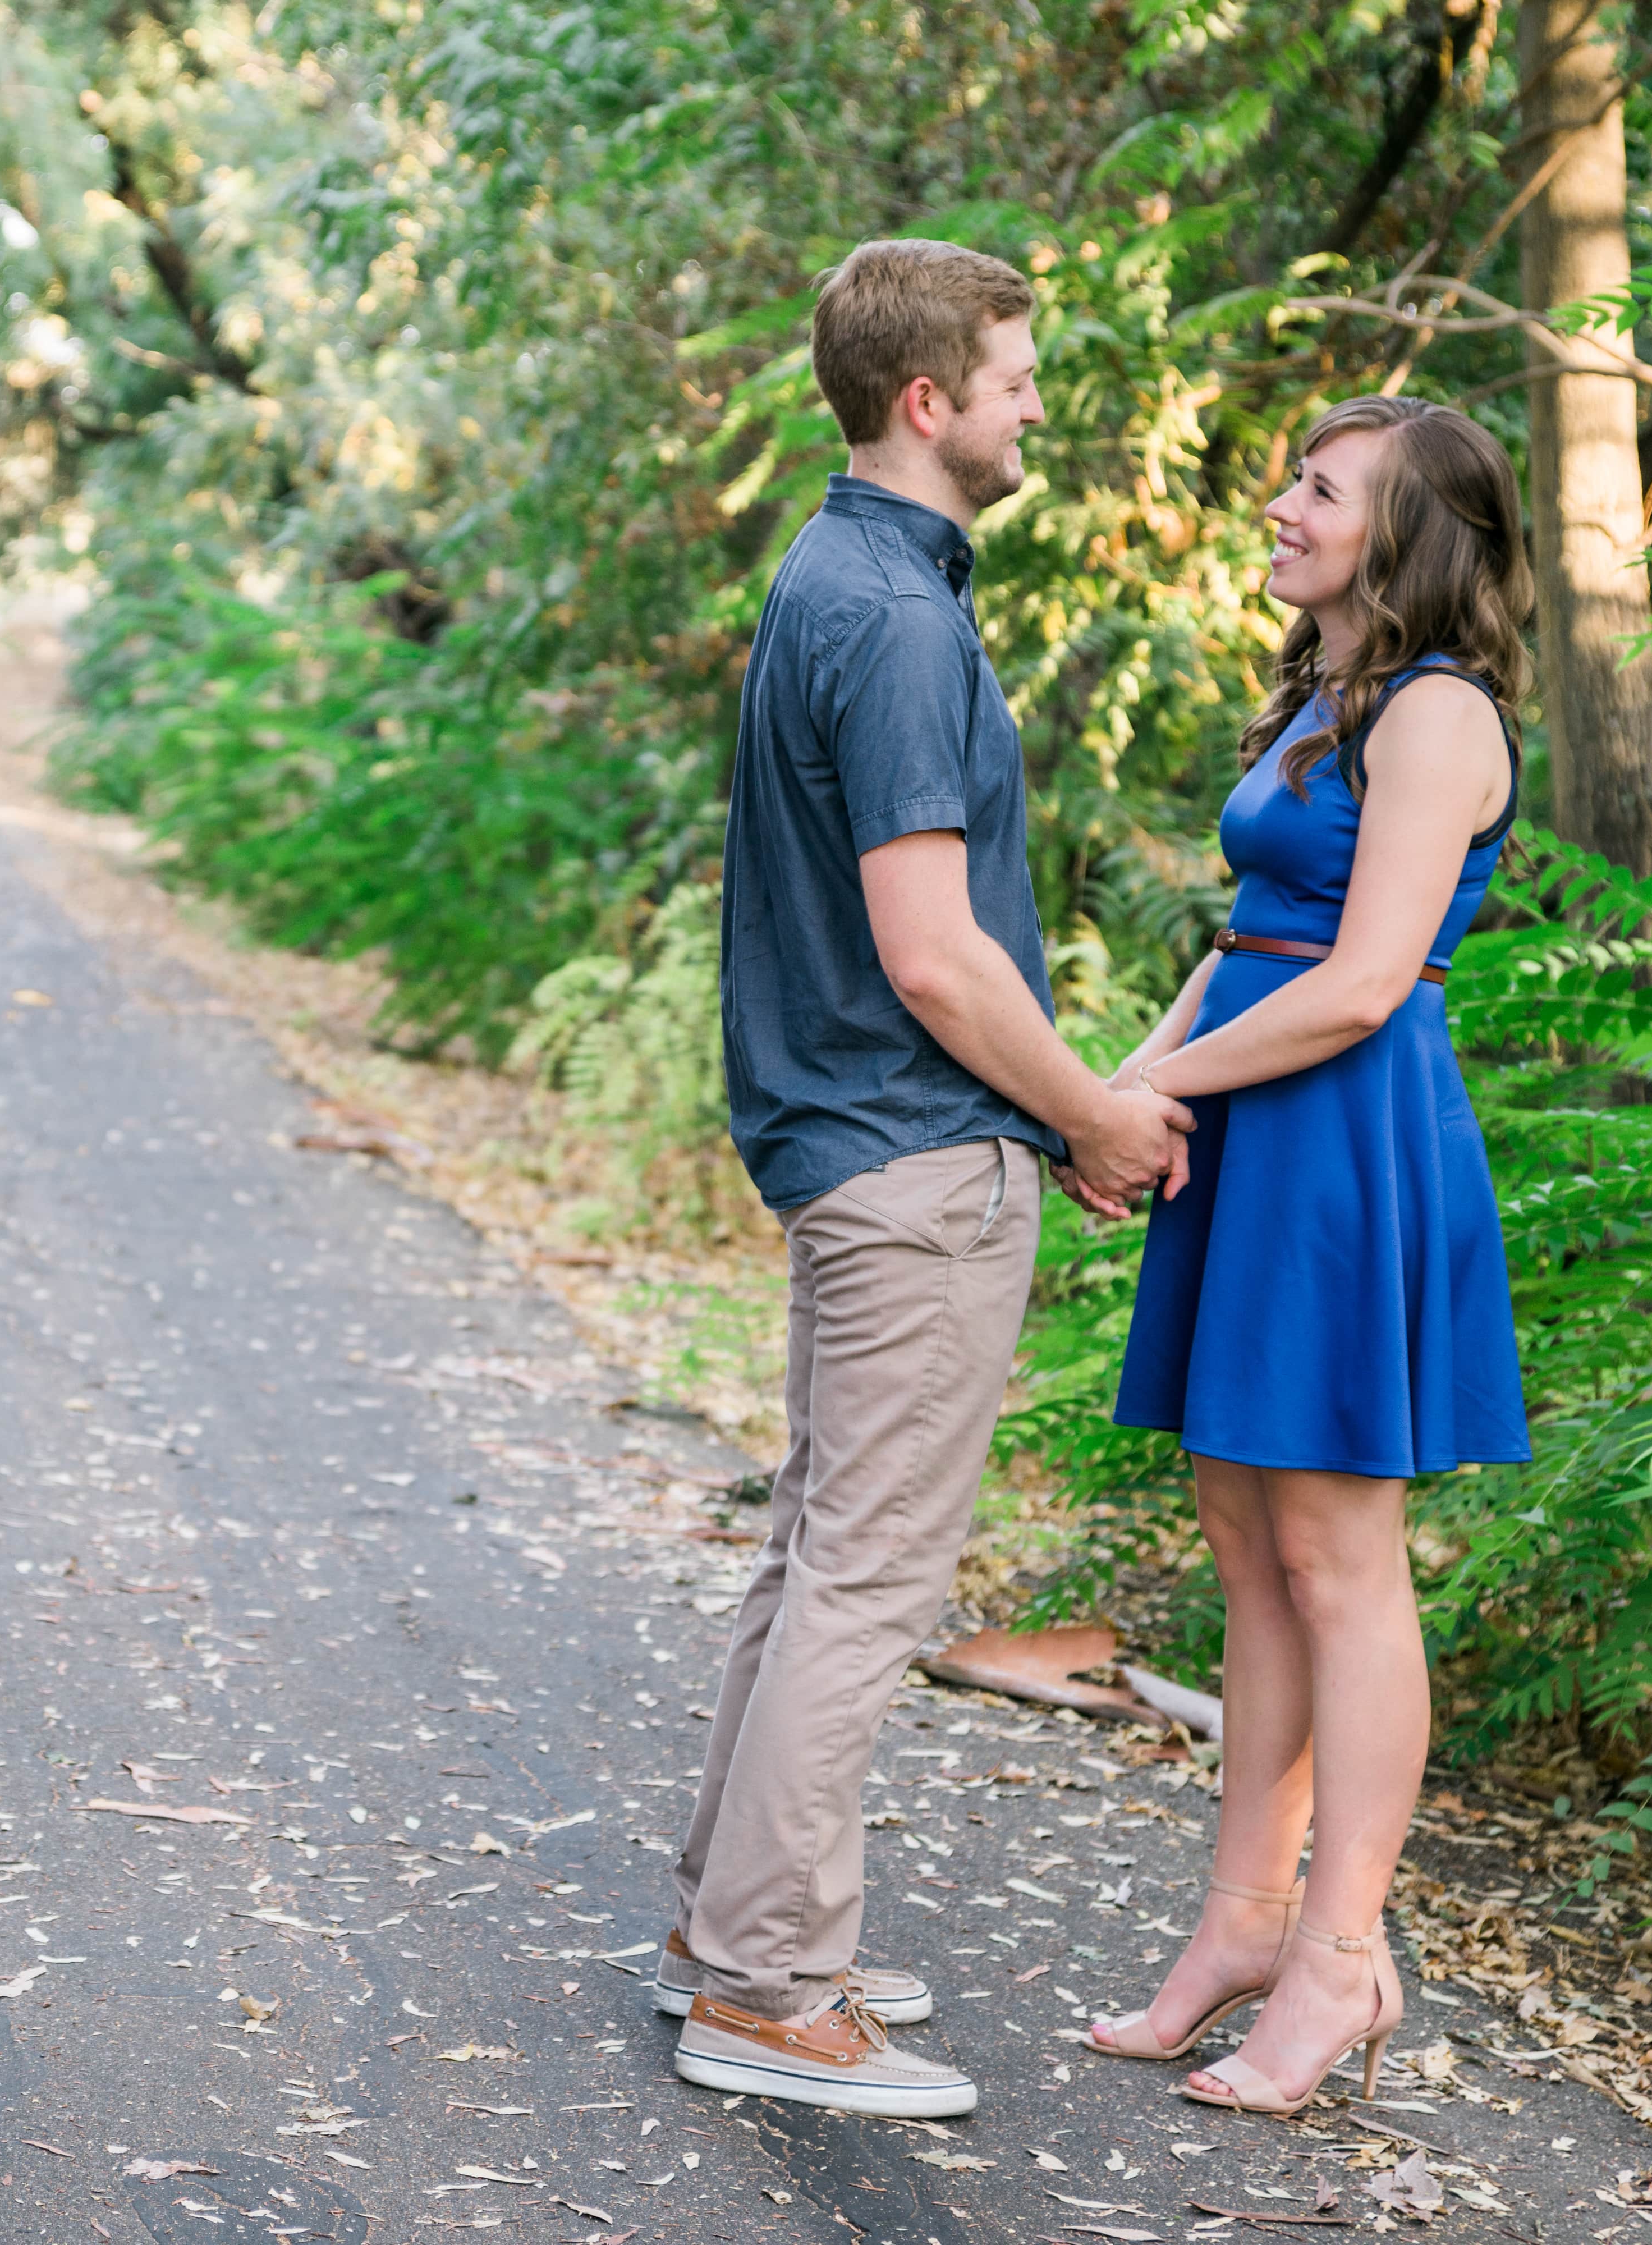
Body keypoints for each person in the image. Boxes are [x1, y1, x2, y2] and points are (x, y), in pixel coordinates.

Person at [659, 237, 1195, 2123]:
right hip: (911, 1156)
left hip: (856, 1155)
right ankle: (773, 1989)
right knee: (872, 1578)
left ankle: (734, 1930)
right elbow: (934, 952)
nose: (1039, 403)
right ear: (928, 400)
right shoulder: (893, 618)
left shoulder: (841, 575)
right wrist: (1095, 1118)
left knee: (822, 1547)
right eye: (1021, 375)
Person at [1076, 394, 1536, 2115]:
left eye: (1319, 489)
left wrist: (1154, 1090)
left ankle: (1341, 1956)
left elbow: (1358, 984)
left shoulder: (1437, 715)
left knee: (1343, 1560)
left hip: (1347, 1137)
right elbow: (1255, 944)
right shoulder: (1320, 697)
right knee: (1247, 1542)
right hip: (1252, 1120)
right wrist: (1115, 1091)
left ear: (1406, 531)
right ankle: (1242, 1926)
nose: (1277, 506)